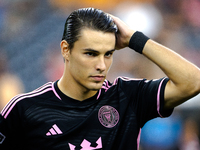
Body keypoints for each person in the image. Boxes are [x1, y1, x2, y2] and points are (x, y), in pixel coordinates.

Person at [0, 7, 200, 150]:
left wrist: (134, 39)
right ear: (66, 50)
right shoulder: (24, 110)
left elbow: (193, 82)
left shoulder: (126, 97)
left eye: (108, 54)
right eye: (90, 54)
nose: (102, 66)